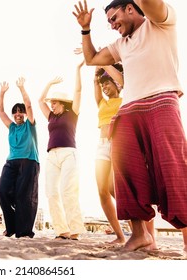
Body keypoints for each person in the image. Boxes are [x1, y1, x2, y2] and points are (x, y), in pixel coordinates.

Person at [73, 0, 187, 252]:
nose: (112, 25)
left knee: (173, 168)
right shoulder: (120, 45)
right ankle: (139, 235)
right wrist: (85, 29)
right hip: (129, 109)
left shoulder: (161, 22)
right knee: (126, 172)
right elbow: (91, 58)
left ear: (130, 8)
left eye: (114, 18)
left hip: (162, 100)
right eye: (109, 22)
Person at [38, 57, 85, 240]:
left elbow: (78, 91)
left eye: (54, 102)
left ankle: (75, 230)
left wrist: (78, 69)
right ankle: (61, 230)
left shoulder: (72, 113)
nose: (51, 105)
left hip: (68, 153)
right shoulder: (50, 116)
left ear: (62, 103)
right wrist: (49, 83)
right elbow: (40, 100)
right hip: (52, 155)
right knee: (51, 192)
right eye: (51, 103)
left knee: (68, 190)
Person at [0, 77, 40, 238]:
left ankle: (24, 231)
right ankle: (12, 226)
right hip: (11, 162)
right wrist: (2, 93)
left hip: (29, 162)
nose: (17, 114)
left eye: (20, 111)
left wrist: (22, 88)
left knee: (24, 196)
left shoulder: (30, 125)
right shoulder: (12, 127)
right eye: (15, 112)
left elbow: (28, 105)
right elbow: (0, 111)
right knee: (1, 190)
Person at [93, 63, 126, 244]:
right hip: (101, 145)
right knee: (102, 190)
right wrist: (97, 67)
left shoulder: (124, 100)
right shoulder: (102, 102)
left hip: (118, 144)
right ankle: (120, 235)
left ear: (117, 84)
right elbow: (95, 84)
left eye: (108, 83)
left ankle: (139, 228)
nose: (105, 87)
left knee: (116, 189)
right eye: (103, 84)